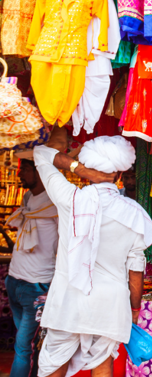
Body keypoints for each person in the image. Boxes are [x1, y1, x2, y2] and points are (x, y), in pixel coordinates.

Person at [32, 136, 152, 377]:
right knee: (102, 364)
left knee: (53, 364)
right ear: (120, 175)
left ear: (87, 171)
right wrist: (133, 308)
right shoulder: (135, 214)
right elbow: (135, 270)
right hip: (110, 303)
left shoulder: (71, 199)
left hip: (68, 300)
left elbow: (40, 153)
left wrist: (78, 168)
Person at [5, 158, 58, 377]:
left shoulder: (55, 204)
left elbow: (66, 244)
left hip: (36, 285)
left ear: (40, 171)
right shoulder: (27, 198)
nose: (20, 174)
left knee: (22, 346)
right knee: (28, 340)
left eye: (25, 169)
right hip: (15, 281)